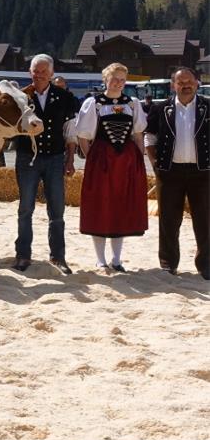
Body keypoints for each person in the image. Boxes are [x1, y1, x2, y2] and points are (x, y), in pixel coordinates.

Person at [75, 62, 148, 273]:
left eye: (122, 79)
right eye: (114, 78)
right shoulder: (94, 103)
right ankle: (100, 259)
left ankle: (116, 259)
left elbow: (137, 135)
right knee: (100, 206)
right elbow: (83, 136)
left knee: (121, 206)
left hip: (126, 162)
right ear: (105, 79)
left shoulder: (132, 103)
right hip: (102, 161)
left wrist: (139, 160)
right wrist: (93, 159)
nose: (118, 83)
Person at [12, 55, 79, 274]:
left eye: (43, 71)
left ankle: (58, 257)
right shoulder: (21, 97)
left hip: (55, 158)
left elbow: (70, 133)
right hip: (26, 157)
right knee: (25, 209)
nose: (39, 75)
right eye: (35, 71)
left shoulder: (65, 97)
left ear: (51, 73)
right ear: (30, 72)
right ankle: (23, 255)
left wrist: (70, 160)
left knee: (57, 211)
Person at [144, 67, 209, 279]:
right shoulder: (160, 109)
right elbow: (150, 138)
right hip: (169, 173)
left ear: (197, 83)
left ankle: (206, 265)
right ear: (173, 85)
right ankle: (168, 263)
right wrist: (155, 164)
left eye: (189, 81)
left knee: (205, 220)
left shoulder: (208, 106)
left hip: (203, 173)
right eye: (180, 82)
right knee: (169, 220)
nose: (185, 85)